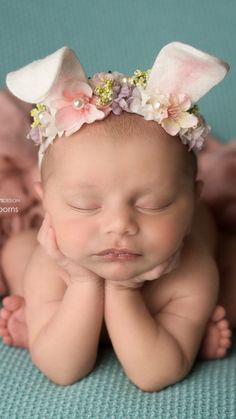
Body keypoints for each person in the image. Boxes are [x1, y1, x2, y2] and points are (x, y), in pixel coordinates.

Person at [0, 43, 232, 392]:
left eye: (154, 204)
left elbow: (154, 375)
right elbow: (63, 371)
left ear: (193, 201)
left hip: (183, 298)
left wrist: (124, 290)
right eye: (84, 205)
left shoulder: (193, 269)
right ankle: (44, 321)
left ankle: (184, 337)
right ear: (45, 202)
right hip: (70, 281)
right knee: (16, 250)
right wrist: (83, 282)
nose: (119, 225)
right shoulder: (50, 264)